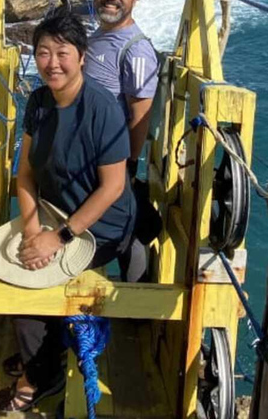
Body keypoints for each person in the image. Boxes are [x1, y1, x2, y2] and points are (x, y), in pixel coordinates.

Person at [0, 11, 140, 411]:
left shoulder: (102, 108)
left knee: (30, 278)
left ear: (82, 57)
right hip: (53, 215)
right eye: (43, 52)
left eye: (63, 52)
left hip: (102, 226)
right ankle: (38, 354)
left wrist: (57, 239)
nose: (52, 62)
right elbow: (24, 176)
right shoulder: (39, 102)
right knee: (13, 259)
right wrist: (31, 231)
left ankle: (44, 376)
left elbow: (112, 187)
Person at [84, 0, 161, 276]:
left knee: (128, 230)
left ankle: (135, 303)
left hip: (109, 163)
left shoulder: (136, 50)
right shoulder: (99, 36)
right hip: (87, 161)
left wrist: (126, 167)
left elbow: (140, 115)